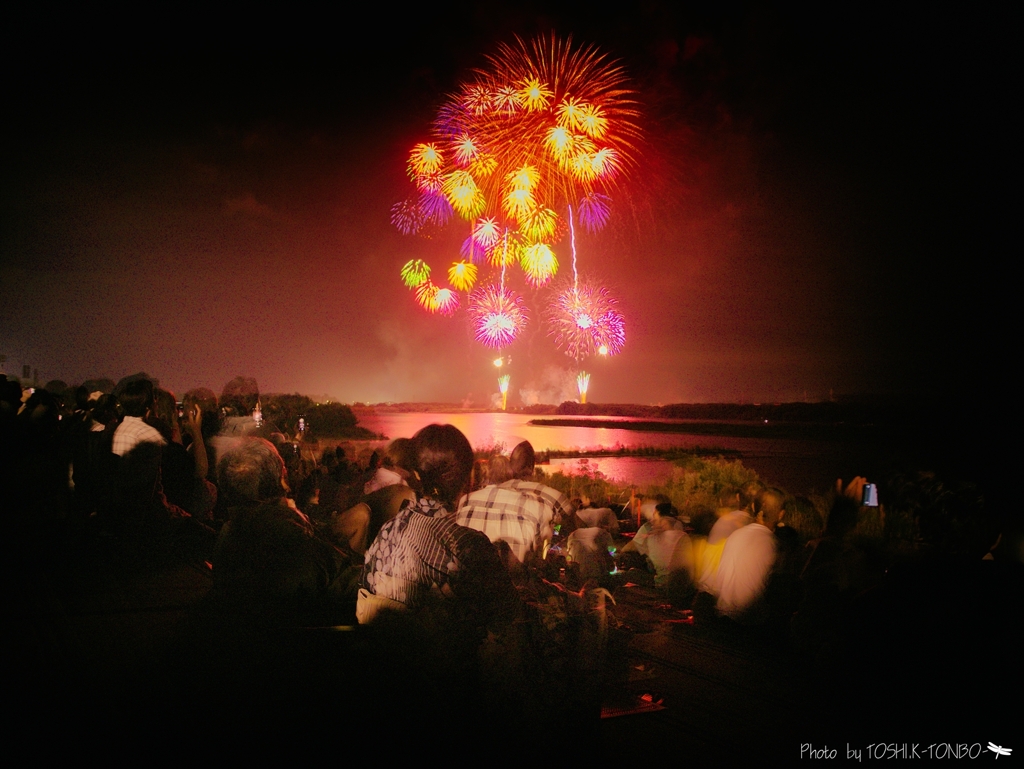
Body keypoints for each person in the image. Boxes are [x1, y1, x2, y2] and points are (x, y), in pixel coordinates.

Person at [359, 424, 519, 636]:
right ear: (469, 480)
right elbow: (509, 615)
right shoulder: (467, 547)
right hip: (443, 666)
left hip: (381, 660)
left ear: (415, 474)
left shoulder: (387, 530)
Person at [456, 453, 552, 565]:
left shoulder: (465, 501)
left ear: (487, 474)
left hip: (472, 576)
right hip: (514, 578)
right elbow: (546, 543)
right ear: (511, 474)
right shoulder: (533, 502)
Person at [714, 487, 786, 622]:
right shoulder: (775, 545)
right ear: (781, 514)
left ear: (753, 507)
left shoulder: (735, 535)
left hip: (722, 615)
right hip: (750, 622)